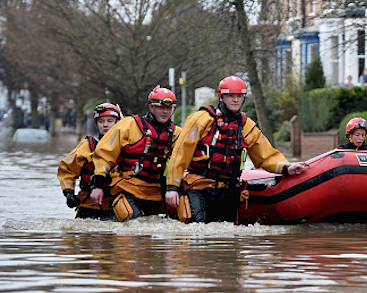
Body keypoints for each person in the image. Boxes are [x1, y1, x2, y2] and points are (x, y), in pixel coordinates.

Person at [164, 76, 306, 224]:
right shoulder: (201, 119)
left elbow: (266, 156)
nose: (236, 100)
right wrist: (172, 188)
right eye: (231, 96)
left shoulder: (247, 126)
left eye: (239, 96)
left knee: (228, 237)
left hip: (228, 190)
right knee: (197, 228)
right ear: (221, 97)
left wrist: (287, 167)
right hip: (199, 187)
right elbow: (180, 155)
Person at [90, 86, 182, 222]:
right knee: (133, 224)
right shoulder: (129, 125)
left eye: (168, 108)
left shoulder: (177, 134)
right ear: (151, 107)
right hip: (126, 187)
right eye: (160, 107)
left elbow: (181, 162)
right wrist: (97, 186)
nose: (165, 111)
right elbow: (104, 155)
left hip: (154, 192)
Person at [57, 103, 123, 219]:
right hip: (89, 205)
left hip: (119, 207)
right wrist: (69, 193)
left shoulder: (126, 147)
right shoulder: (87, 146)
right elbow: (67, 170)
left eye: (109, 121)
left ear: (117, 122)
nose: (105, 125)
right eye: (101, 121)